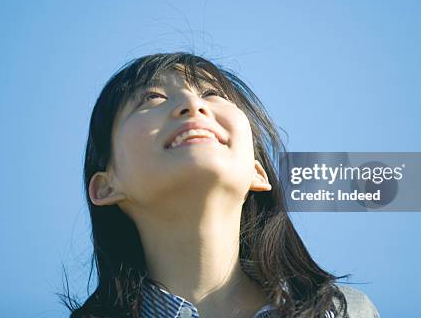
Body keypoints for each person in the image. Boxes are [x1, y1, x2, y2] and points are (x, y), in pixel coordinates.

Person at [59, 52, 380, 317]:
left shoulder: (345, 312)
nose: (191, 104)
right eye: (152, 97)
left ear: (258, 174)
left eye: (212, 94)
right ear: (106, 186)